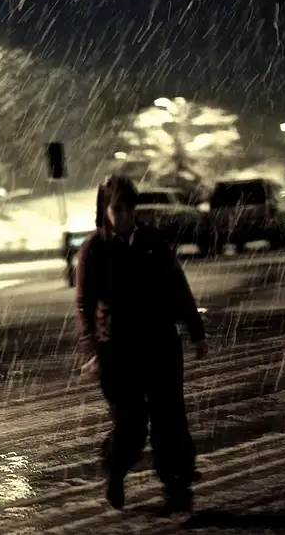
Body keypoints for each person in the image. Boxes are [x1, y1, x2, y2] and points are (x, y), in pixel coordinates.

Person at [76, 175, 208, 515]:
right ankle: (115, 471)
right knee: (131, 425)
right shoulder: (94, 250)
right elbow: (84, 304)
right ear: (105, 210)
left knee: (170, 418)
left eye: (129, 208)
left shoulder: (151, 240)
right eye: (117, 209)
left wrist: (196, 331)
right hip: (118, 350)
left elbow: (177, 285)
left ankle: (177, 484)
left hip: (160, 342)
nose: (124, 216)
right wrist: (92, 351)